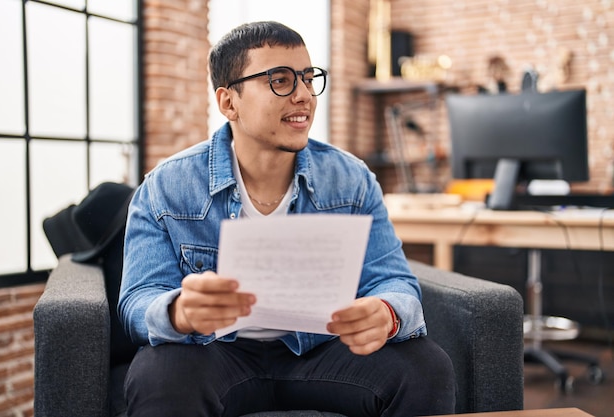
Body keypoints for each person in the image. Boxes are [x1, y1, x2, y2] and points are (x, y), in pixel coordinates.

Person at [118, 21, 456, 417]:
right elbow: (137, 302)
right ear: (229, 102)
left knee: (426, 367)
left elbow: (393, 279)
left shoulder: (352, 180)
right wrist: (179, 312)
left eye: (309, 78)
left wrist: (387, 312)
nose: (303, 96)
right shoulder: (167, 186)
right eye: (279, 80)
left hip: (321, 349)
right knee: (157, 375)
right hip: (215, 353)